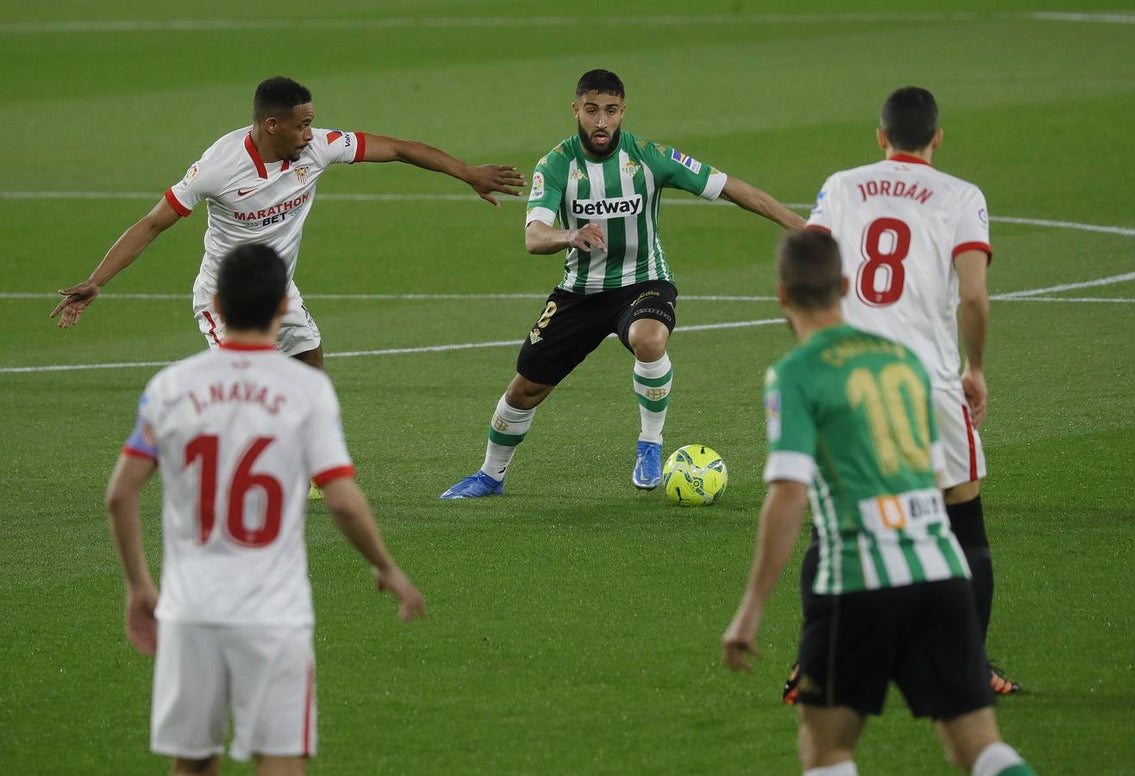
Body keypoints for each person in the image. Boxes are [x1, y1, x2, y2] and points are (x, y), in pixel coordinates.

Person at [722, 230, 1035, 776]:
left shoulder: (795, 374)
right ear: (845, 286)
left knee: (827, 751)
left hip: (857, 585)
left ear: (781, 296)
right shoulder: (904, 362)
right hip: (942, 574)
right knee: (981, 749)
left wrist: (750, 610)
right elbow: (936, 478)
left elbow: (789, 494)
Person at [106, 243, 426, 776]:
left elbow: (120, 494)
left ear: (217, 306)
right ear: (283, 306)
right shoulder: (307, 390)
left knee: (193, 761)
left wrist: (140, 587)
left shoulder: (171, 387)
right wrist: (386, 566)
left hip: (189, 608)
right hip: (273, 612)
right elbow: (343, 501)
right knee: (280, 759)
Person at [440, 68, 805, 499]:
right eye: (592, 110)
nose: (601, 121)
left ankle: (650, 444)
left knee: (649, 340)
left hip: (644, 281)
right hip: (579, 291)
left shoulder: (650, 157)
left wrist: (799, 224)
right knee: (525, 389)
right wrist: (569, 235)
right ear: (575, 110)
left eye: (610, 111)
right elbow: (534, 237)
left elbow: (728, 187)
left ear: (623, 112)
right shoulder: (556, 165)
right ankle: (490, 475)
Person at [52, 75, 525, 370]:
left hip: (277, 289)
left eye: (312, 123)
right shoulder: (219, 166)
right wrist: (97, 281)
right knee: (245, 387)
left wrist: (466, 172)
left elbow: (399, 148)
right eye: (302, 124)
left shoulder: (315, 147)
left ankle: (313, 464)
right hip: (225, 297)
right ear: (272, 124)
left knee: (310, 361)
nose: (311, 132)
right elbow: (153, 224)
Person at [800, 85, 1018, 696]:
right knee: (963, 519)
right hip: (928, 379)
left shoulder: (842, 185)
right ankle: (971, 668)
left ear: (881, 136)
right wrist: (974, 369)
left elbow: (808, 263)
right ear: (937, 138)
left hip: (849, 375)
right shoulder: (960, 196)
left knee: (834, 519)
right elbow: (973, 296)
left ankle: (815, 659)